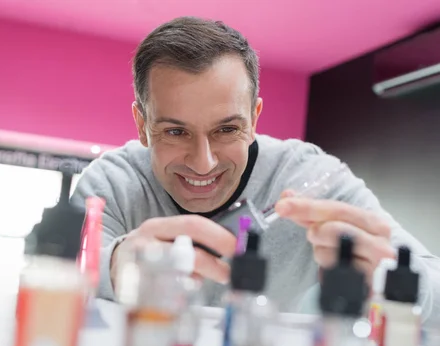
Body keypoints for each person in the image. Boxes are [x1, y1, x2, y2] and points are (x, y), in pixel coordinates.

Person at [71, 17, 440, 325]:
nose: (204, 163)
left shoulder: (310, 180)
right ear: (141, 123)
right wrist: (117, 265)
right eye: (175, 132)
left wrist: (396, 282)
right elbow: (58, 285)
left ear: (255, 118)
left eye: (227, 130)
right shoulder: (111, 186)